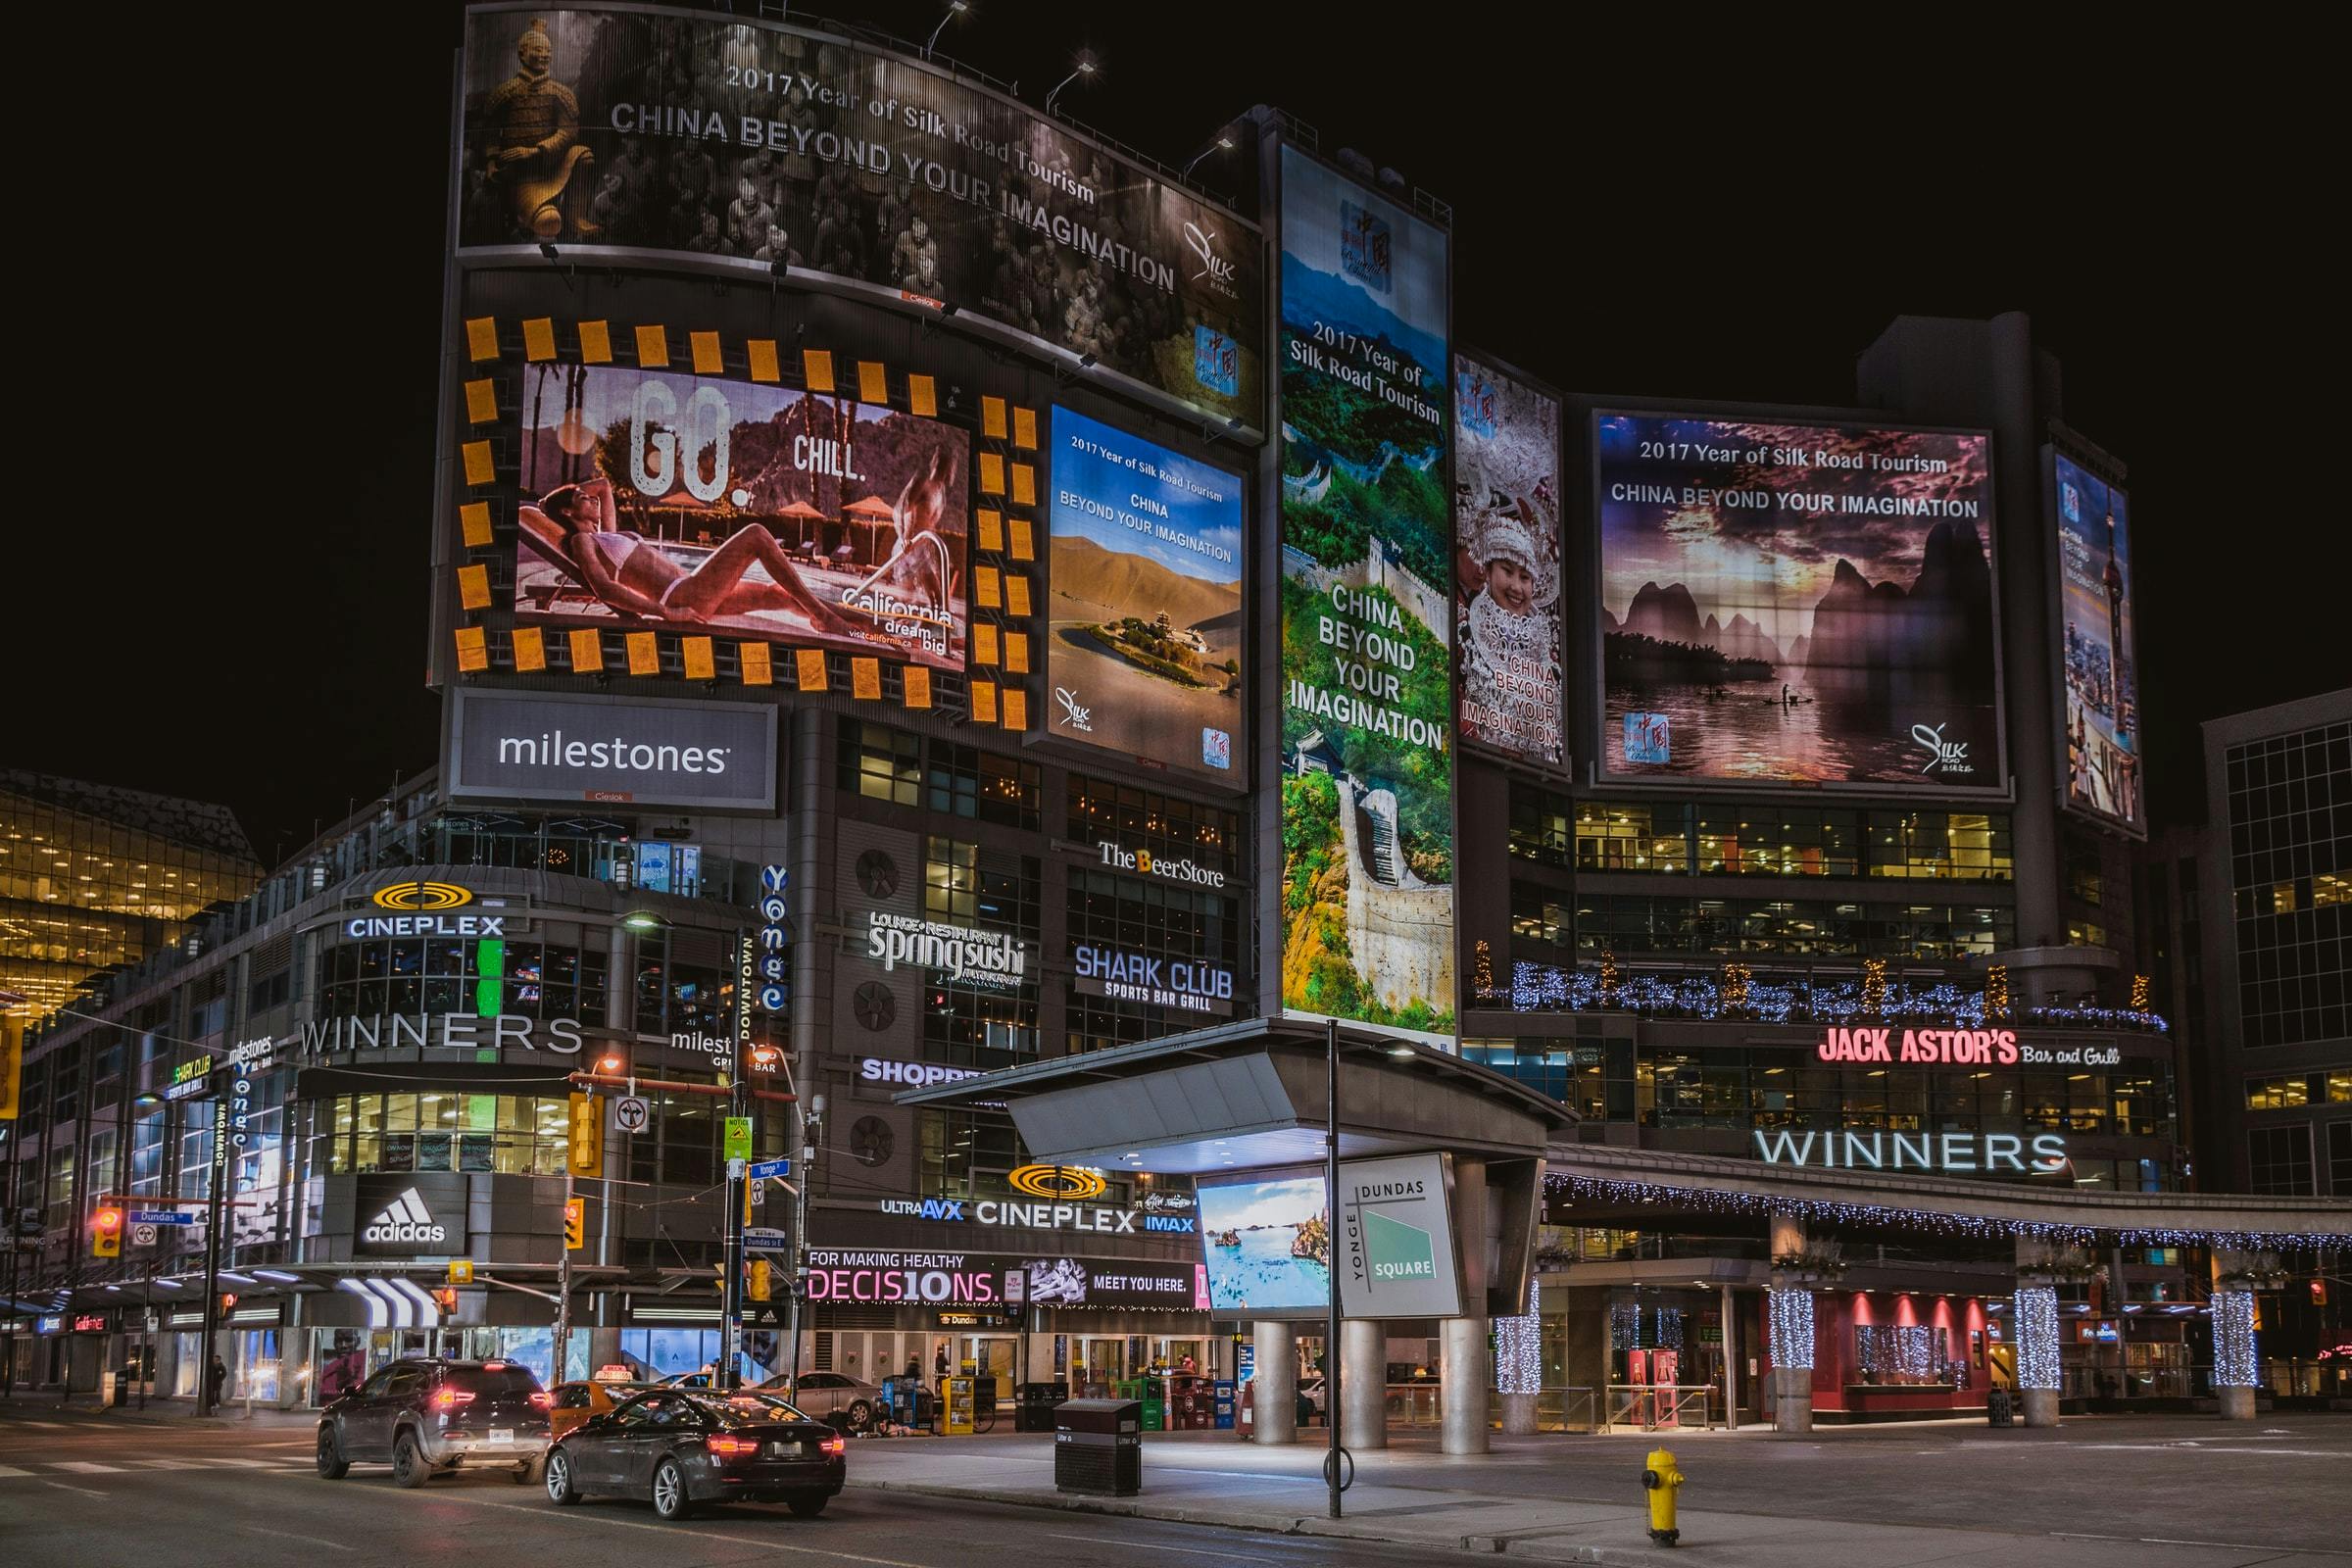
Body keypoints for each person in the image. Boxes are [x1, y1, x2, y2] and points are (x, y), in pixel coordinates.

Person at [517, 475, 871, 638]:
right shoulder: (583, 543)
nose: (592, 499)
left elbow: (605, 485)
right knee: (756, 535)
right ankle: (823, 615)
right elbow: (605, 590)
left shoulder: (603, 534)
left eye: (588, 497)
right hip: (683, 597)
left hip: (692, 588)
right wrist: (666, 613)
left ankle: (857, 630)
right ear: (567, 513)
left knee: (776, 595)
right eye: (582, 499)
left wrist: (571, 497)